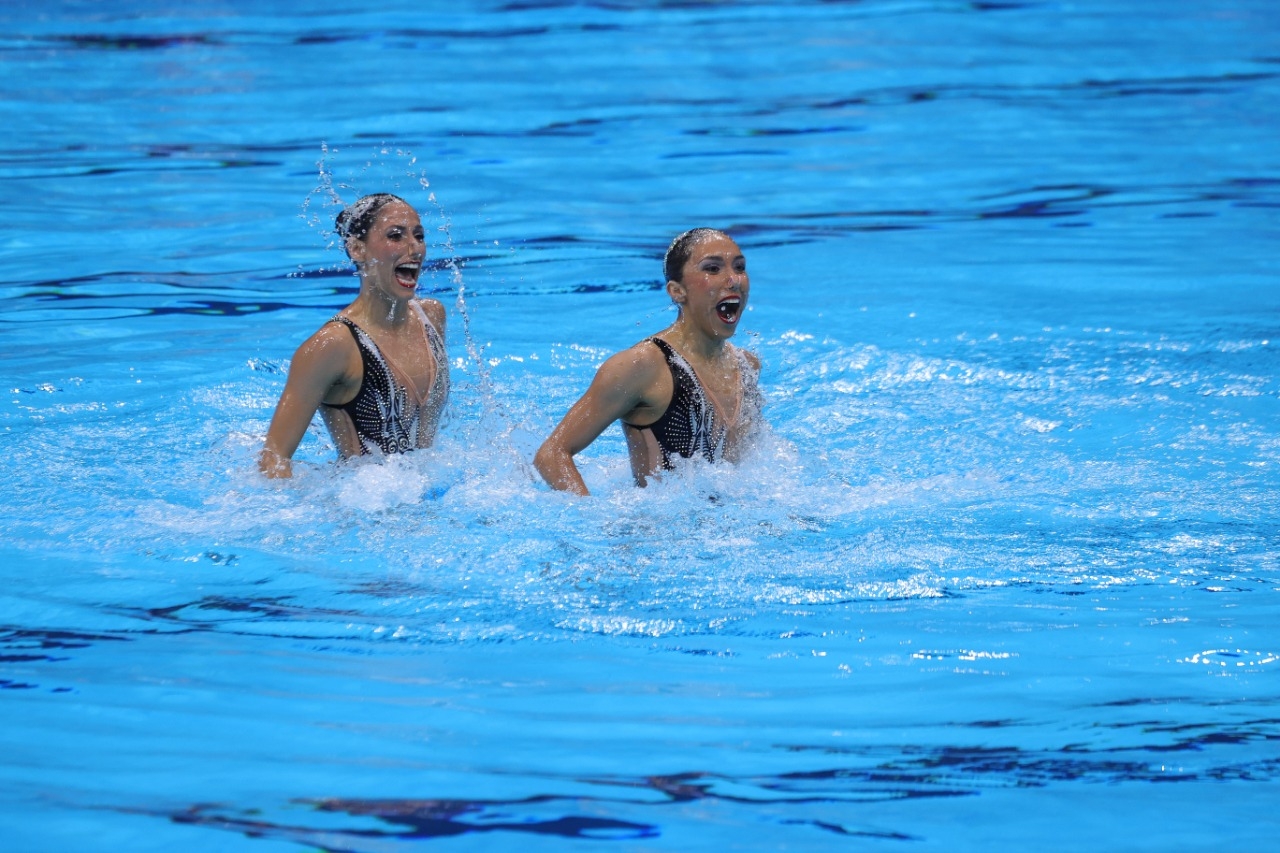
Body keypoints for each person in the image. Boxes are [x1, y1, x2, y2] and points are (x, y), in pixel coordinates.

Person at [534, 228, 763, 495]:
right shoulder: (642, 367)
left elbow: (743, 471)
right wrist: (592, 520)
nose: (733, 280)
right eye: (712, 268)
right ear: (677, 291)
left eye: (740, 267)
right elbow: (552, 454)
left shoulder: (746, 366)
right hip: (655, 533)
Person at [259, 193, 449, 478]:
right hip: (365, 509)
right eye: (395, 236)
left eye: (419, 236)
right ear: (358, 249)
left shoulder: (431, 317)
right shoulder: (333, 345)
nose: (415, 248)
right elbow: (273, 459)